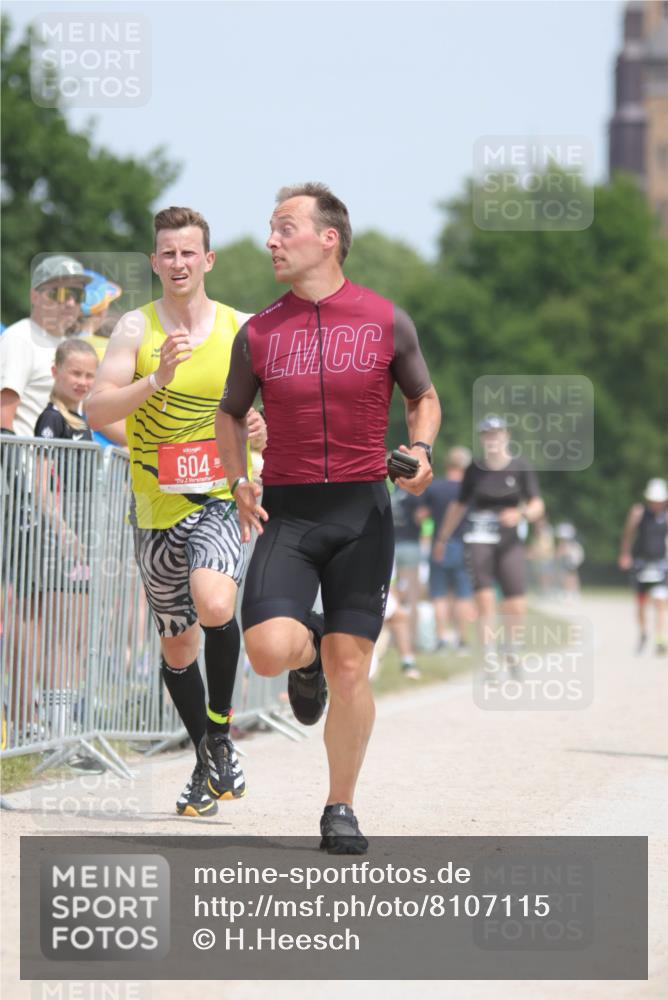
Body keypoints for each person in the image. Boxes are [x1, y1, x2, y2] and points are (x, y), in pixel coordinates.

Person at [216, 182, 440, 854]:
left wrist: (421, 449)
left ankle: (340, 806)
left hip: (362, 512)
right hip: (290, 510)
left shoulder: (384, 319)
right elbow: (230, 412)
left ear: (328, 238)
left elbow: (423, 396)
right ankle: (306, 655)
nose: (271, 242)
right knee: (268, 649)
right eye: (271, 229)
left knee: (353, 670)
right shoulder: (258, 330)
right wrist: (237, 480)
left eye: (286, 228)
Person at [86, 206, 267, 817]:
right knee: (177, 650)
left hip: (217, 498)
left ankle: (219, 732)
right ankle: (205, 761)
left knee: (216, 602)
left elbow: (263, 414)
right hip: (154, 507)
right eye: (168, 253)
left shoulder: (242, 328)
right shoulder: (136, 330)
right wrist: (156, 380)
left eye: (189, 252)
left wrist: (260, 431)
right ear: (154, 262)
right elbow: (97, 410)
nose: (179, 262)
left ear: (207, 260)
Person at [34, 338, 101, 770]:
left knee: (77, 638)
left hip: (86, 542)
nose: (82, 381)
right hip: (63, 546)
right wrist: (65, 533)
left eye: (89, 375)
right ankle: (56, 731)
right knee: (62, 637)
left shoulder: (85, 419)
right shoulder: (50, 419)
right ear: (57, 371)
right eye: (75, 373)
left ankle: (69, 727)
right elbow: (41, 483)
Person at [433, 416, 544, 675]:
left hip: (510, 541)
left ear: (506, 436)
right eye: (487, 435)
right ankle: (490, 659)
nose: (492, 439)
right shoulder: (475, 469)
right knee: (485, 601)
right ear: (483, 439)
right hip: (479, 539)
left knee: (516, 603)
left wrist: (521, 514)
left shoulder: (520, 467)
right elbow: (458, 505)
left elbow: (538, 505)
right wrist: (442, 538)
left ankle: (512, 649)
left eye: (497, 434)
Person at [0, 256, 91, 436]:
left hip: (60, 462)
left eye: (77, 295)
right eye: (61, 293)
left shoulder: (69, 345)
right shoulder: (20, 337)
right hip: (24, 462)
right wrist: (11, 463)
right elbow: (3, 413)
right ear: (35, 296)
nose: (71, 302)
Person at [416, 445, 475, 654]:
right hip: (465, 544)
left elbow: (420, 515)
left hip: (438, 546)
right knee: (463, 594)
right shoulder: (471, 490)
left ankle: (441, 639)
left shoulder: (434, 487)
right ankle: (462, 641)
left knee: (439, 593)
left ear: (448, 464)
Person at [618, 478, 668, 655]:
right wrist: (625, 554)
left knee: (660, 602)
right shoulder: (638, 513)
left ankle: (660, 638)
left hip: (661, 564)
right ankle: (643, 633)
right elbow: (628, 535)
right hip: (641, 563)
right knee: (641, 603)